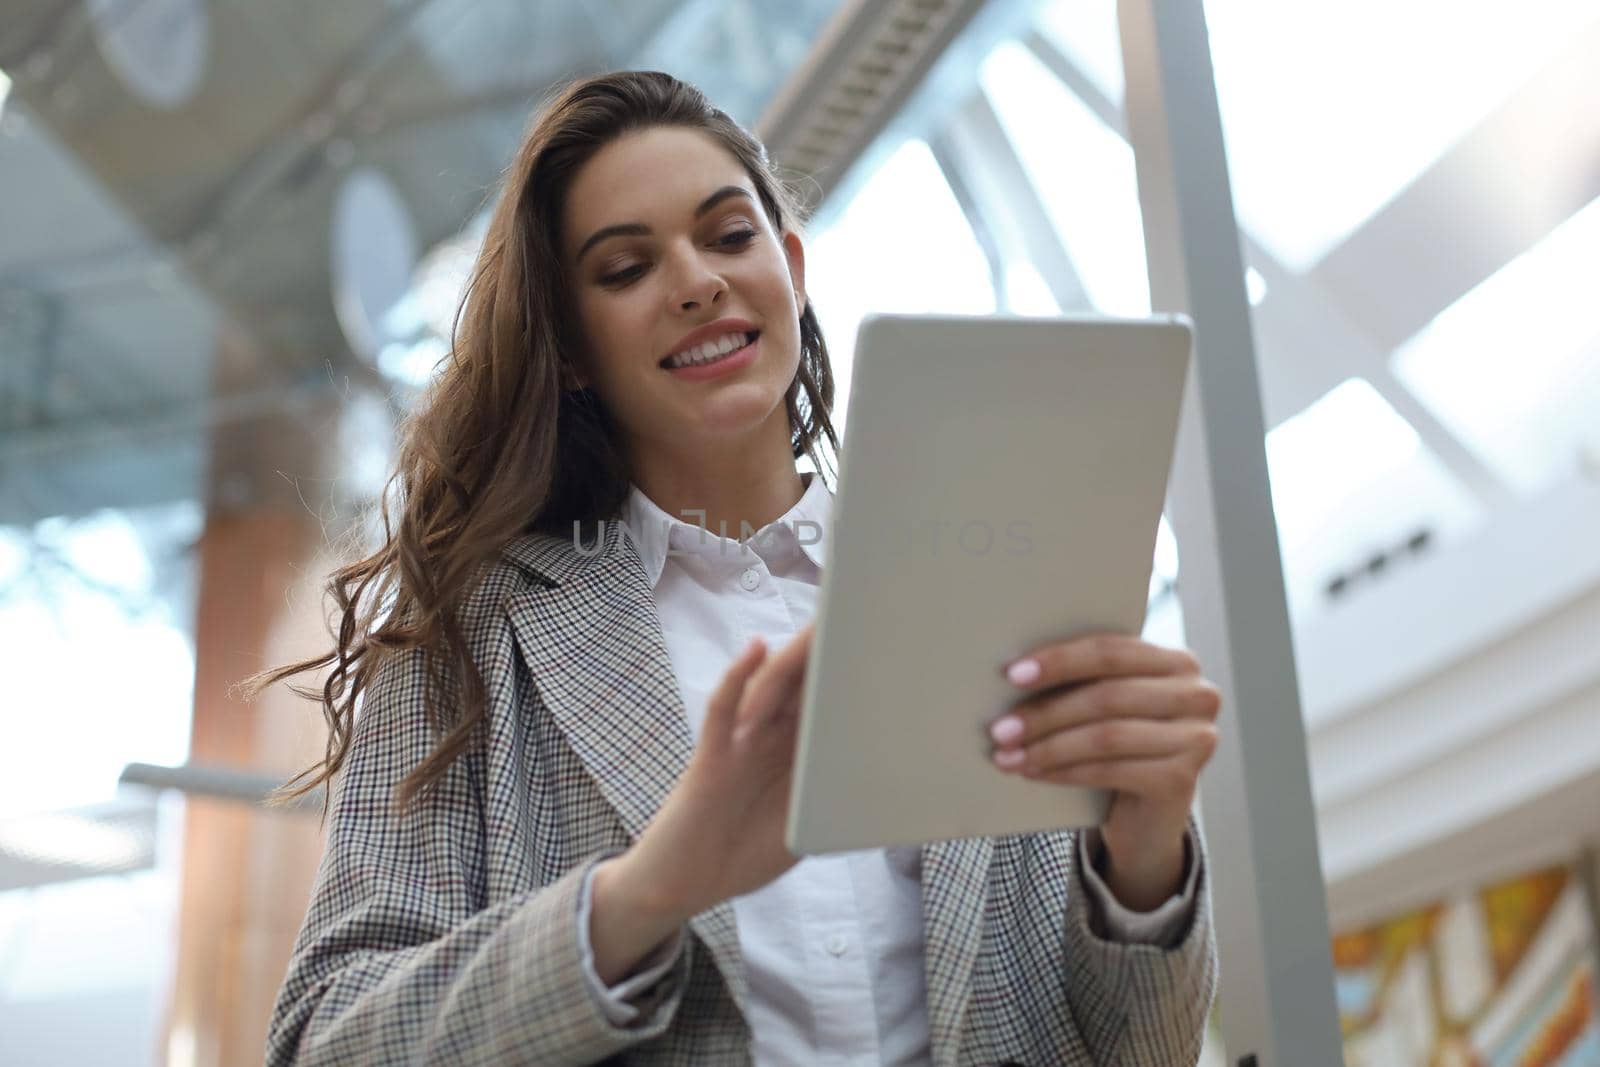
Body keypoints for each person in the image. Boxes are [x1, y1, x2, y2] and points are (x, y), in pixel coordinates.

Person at [254, 69, 1221, 1067]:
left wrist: (1144, 857)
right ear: (573, 347)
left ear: (791, 268)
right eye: (625, 267)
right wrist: (646, 892)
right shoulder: (472, 635)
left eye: (727, 237)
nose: (695, 281)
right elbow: (323, 1040)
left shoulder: (993, 576)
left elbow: (1146, 1047)